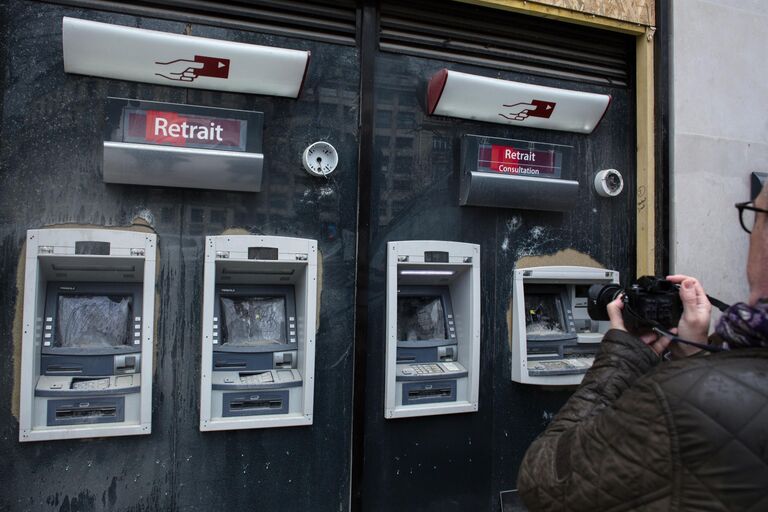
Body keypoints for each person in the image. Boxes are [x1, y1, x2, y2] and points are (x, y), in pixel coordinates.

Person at [517, 181, 768, 511]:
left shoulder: (676, 401)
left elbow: (543, 481)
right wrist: (693, 354)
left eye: (755, 217)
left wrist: (621, 357)